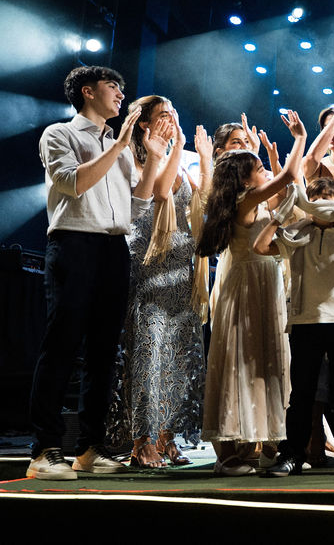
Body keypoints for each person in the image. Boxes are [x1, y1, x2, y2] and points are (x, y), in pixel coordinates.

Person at [28, 66, 170, 480]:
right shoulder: (60, 134)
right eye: (113, 86)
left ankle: (90, 448)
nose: (121, 94)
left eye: (122, 88)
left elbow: (136, 207)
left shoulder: (118, 145)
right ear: (87, 92)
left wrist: (153, 158)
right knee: (62, 346)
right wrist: (121, 144)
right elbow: (72, 183)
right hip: (74, 244)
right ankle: (45, 449)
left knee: (105, 352)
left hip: (113, 247)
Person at [196, 110, 306, 476]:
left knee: (263, 360)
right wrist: (300, 139)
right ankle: (229, 453)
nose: (265, 173)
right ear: (245, 179)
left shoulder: (252, 200)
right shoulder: (244, 201)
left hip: (263, 282)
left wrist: (268, 158)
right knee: (240, 360)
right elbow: (288, 176)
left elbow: (287, 190)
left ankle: (260, 443)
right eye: (259, 169)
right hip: (247, 286)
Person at [107, 96, 209, 468]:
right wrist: (174, 146)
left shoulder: (179, 160)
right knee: (148, 354)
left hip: (181, 267)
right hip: (149, 264)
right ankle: (142, 440)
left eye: (174, 114)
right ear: (144, 123)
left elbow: (202, 199)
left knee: (177, 354)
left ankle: (168, 437)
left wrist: (202, 157)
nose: (172, 120)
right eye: (163, 115)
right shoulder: (132, 157)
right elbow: (160, 192)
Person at [254, 178, 334, 477]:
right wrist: (281, 214)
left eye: (328, 197)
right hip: (305, 321)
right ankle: (292, 456)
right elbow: (260, 246)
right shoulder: (299, 231)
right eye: (316, 197)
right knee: (301, 396)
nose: (322, 203)